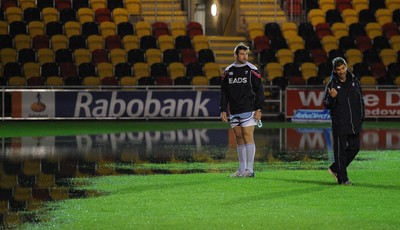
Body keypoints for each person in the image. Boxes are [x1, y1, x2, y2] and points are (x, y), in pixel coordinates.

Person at [220, 42, 265, 178]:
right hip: (234, 110)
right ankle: (241, 169)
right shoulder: (228, 71)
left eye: (246, 54)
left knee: (247, 136)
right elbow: (224, 92)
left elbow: (260, 91)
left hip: (249, 109)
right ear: (235, 55)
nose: (245, 56)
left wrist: (259, 109)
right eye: (242, 54)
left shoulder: (252, 70)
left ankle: (250, 170)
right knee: (239, 138)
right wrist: (223, 109)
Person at [323, 57, 365, 185]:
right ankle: (343, 179)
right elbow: (327, 104)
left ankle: (335, 168)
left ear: (346, 67)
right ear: (334, 70)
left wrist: (361, 116)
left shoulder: (354, 81)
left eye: (343, 68)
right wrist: (332, 97)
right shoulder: (331, 85)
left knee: (355, 148)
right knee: (340, 153)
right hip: (340, 123)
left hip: (354, 122)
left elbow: (360, 100)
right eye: (338, 69)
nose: (341, 71)